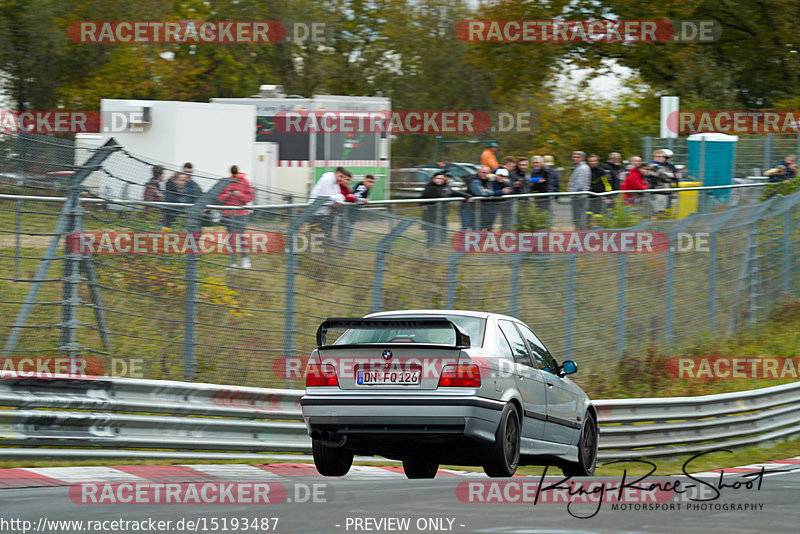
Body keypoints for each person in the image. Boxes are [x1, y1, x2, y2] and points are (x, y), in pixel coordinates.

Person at [217, 165, 255, 269]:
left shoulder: (245, 182)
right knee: (231, 238)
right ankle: (233, 262)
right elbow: (219, 197)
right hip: (228, 214)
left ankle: (245, 259)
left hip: (241, 213)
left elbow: (250, 198)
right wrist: (228, 194)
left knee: (242, 236)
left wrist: (239, 195)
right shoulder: (226, 182)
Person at [420, 169, 470, 247]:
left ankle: (439, 245)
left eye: (442, 179)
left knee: (441, 229)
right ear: (434, 178)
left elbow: (453, 193)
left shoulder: (446, 187)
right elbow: (423, 198)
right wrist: (423, 204)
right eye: (439, 178)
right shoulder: (429, 187)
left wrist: (467, 196)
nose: (441, 180)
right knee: (431, 231)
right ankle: (430, 246)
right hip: (431, 214)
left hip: (441, 213)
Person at [308, 166, 350, 244]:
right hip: (316, 213)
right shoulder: (327, 180)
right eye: (340, 176)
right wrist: (337, 199)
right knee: (316, 236)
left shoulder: (335, 183)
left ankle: (321, 251)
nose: (341, 179)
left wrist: (338, 198)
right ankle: (314, 252)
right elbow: (330, 198)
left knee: (325, 236)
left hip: (325, 214)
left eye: (343, 177)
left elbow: (339, 197)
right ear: (335, 173)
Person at [568, 151, 591, 230]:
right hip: (578, 197)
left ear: (582, 158)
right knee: (578, 218)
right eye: (573, 156)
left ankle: (580, 235)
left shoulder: (582, 168)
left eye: (576, 157)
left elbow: (580, 185)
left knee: (579, 218)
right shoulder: (579, 168)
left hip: (579, 198)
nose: (573, 158)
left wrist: (573, 194)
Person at [466, 165, 492, 230]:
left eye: (486, 173)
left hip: (484, 208)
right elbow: (480, 194)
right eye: (482, 172)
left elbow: (493, 191)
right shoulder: (474, 180)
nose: (484, 174)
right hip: (473, 208)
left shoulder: (488, 180)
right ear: (478, 172)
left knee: (484, 228)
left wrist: (487, 191)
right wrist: (488, 192)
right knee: (475, 228)